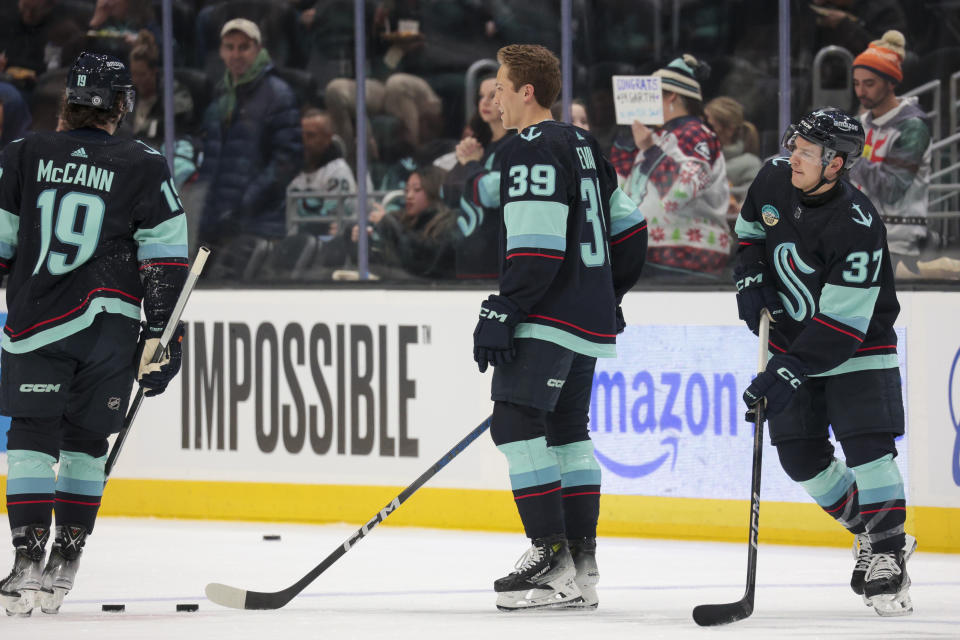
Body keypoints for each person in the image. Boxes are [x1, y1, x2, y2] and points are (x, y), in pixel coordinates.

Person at [0, 52, 189, 616]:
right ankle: (68, 554)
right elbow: (166, 260)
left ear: (68, 102)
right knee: (85, 441)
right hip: (109, 323)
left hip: (35, 322)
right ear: (122, 105)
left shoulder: (22, 154)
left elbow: (2, 247)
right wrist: (164, 336)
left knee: (32, 435)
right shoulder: (145, 162)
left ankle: (27, 555)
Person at [473, 44, 648, 610]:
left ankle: (550, 558)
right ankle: (582, 565)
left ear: (527, 91)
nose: (493, 96)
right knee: (568, 432)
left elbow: (538, 245)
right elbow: (630, 228)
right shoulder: (582, 143)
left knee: (516, 425)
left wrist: (507, 307)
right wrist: (606, 292)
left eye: (499, 85)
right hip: (585, 317)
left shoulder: (528, 148)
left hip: (547, 315)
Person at [734, 107, 914, 617]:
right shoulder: (772, 177)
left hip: (858, 347)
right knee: (800, 459)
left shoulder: (857, 224)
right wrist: (749, 280)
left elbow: (841, 327)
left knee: (867, 450)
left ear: (836, 164)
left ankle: (887, 550)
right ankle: (873, 533)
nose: (794, 154)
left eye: (808, 152)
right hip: (792, 341)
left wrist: (784, 372)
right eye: (796, 144)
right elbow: (749, 233)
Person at [197, 18, 302, 253]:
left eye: (244, 47)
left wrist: (243, 205)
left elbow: (286, 162)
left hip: (259, 228)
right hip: (215, 228)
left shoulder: (278, 95)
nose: (236, 54)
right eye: (229, 47)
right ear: (221, 52)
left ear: (259, 50)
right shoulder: (220, 95)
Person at [623, 55, 731, 278]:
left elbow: (680, 193)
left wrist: (650, 150)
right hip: (665, 254)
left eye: (653, 96)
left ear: (671, 96)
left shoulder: (692, 132)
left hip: (682, 255)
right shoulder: (665, 136)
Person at [847, 31, 939, 279]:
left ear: (891, 83)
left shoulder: (913, 128)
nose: (861, 91)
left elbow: (892, 189)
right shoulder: (859, 123)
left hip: (899, 243)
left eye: (869, 83)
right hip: (857, 236)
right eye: (856, 83)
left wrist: (849, 157)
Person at [444, 75, 514, 279]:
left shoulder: (515, 145)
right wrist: (462, 159)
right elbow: (447, 194)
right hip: (467, 255)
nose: (484, 101)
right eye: (481, 96)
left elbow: (492, 193)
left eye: (493, 95)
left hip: (494, 257)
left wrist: (472, 164)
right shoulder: (479, 144)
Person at [287, 108, 366, 236]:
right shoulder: (295, 170)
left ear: (327, 138)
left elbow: (330, 225)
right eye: (302, 135)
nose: (304, 141)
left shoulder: (338, 172)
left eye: (311, 135)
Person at [704, 96, 762, 191]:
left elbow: (752, 199)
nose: (704, 130)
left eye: (710, 126)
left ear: (730, 130)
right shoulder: (700, 158)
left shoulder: (750, 165)